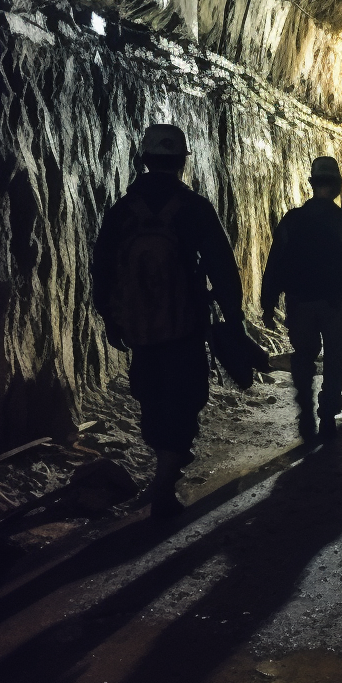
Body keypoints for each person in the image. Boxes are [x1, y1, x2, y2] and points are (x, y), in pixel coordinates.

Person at [92, 123, 245, 517]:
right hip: (185, 323)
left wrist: (110, 316)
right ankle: (164, 478)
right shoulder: (193, 208)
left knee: (151, 394)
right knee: (185, 395)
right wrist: (232, 313)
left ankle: (161, 470)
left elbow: (104, 266)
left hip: (141, 326)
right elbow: (221, 264)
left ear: (145, 159)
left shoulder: (123, 210)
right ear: (181, 162)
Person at [261, 156, 342, 444]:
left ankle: (305, 410)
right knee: (337, 354)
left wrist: (269, 302)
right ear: (339, 185)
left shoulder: (292, 221)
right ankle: (327, 412)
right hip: (333, 304)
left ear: (311, 183)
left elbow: (275, 263)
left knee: (303, 355)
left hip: (300, 302)